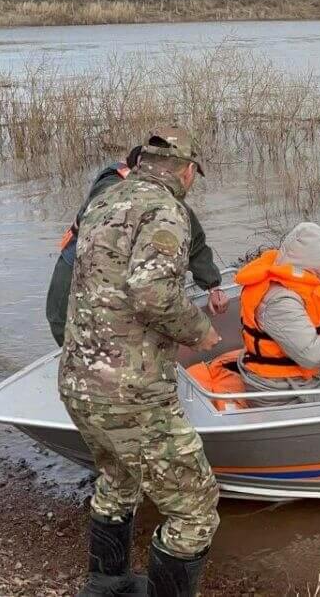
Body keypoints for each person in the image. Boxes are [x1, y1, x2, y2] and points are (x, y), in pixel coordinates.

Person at [60, 126, 223, 597]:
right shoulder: (167, 210)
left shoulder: (104, 200)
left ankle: (107, 584)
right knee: (194, 508)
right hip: (130, 390)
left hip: (78, 378)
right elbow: (152, 294)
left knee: (117, 477)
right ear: (187, 172)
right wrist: (200, 330)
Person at [45, 143, 228, 347]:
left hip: (117, 287)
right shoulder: (109, 189)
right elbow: (152, 292)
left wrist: (212, 285)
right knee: (69, 329)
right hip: (76, 272)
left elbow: (195, 241)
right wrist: (198, 331)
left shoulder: (165, 202)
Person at [234, 222, 320, 406]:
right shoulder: (279, 301)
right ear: (311, 264)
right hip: (284, 390)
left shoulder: (291, 286)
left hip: (300, 375)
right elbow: (311, 355)